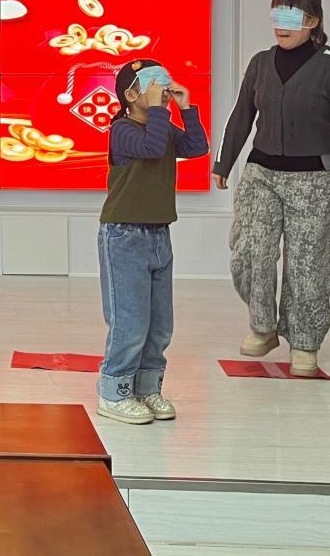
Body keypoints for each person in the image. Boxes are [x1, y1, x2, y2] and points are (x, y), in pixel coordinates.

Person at [213, 0, 330, 377]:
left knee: (308, 264)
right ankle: (263, 327)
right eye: (276, 16)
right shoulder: (260, 63)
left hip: (315, 182)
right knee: (250, 251)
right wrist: (223, 162)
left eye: (291, 16)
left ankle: (304, 343)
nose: (280, 25)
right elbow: (240, 115)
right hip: (261, 176)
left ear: (312, 21)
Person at [95, 59, 208, 425]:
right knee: (130, 322)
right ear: (131, 95)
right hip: (124, 235)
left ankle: (146, 387)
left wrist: (186, 108)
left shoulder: (163, 126)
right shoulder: (122, 130)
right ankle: (114, 392)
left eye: (164, 80)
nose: (163, 87)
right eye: (152, 83)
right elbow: (152, 147)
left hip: (159, 234)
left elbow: (196, 147)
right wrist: (161, 110)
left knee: (159, 325)